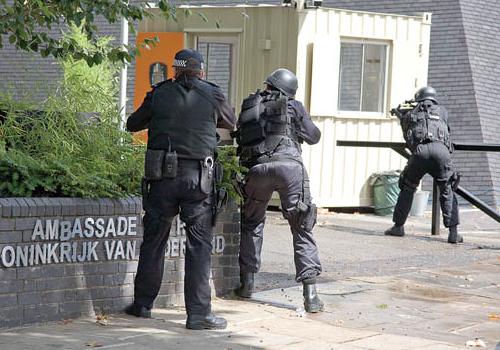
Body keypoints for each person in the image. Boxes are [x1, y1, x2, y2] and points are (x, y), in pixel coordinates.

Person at [124, 49, 236, 330]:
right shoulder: (213, 93)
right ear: (201, 72)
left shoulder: (159, 93)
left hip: (161, 179)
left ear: (174, 71)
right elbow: (231, 123)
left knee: (154, 241)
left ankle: (142, 305)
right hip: (198, 180)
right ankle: (198, 315)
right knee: (198, 246)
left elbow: (132, 124)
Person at [233, 68, 324, 313]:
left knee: (252, 223)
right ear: (289, 90)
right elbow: (314, 136)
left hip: (257, 168)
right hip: (289, 169)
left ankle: (247, 284)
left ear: (269, 85)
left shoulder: (251, 104)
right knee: (301, 226)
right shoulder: (293, 106)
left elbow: (239, 135)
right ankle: (311, 295)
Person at [385, 86, 462, 244]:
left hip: (420, 153)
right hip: (441, 153)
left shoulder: (412, 112)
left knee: (407, 187)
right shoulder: (442, 111)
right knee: (447, 190)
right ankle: (453, 233)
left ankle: (398, 227)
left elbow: (407, 131)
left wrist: (400, 114)